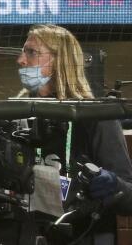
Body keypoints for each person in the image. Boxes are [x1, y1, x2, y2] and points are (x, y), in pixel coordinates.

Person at [14, 24, 132, 244]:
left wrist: (115, 185)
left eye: (31, 52)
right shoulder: (15, 116)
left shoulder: (97, 117)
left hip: (84, 235)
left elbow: (129, 201)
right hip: (27, 233)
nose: (20, 60)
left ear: (60, 61)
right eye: (23, 52)